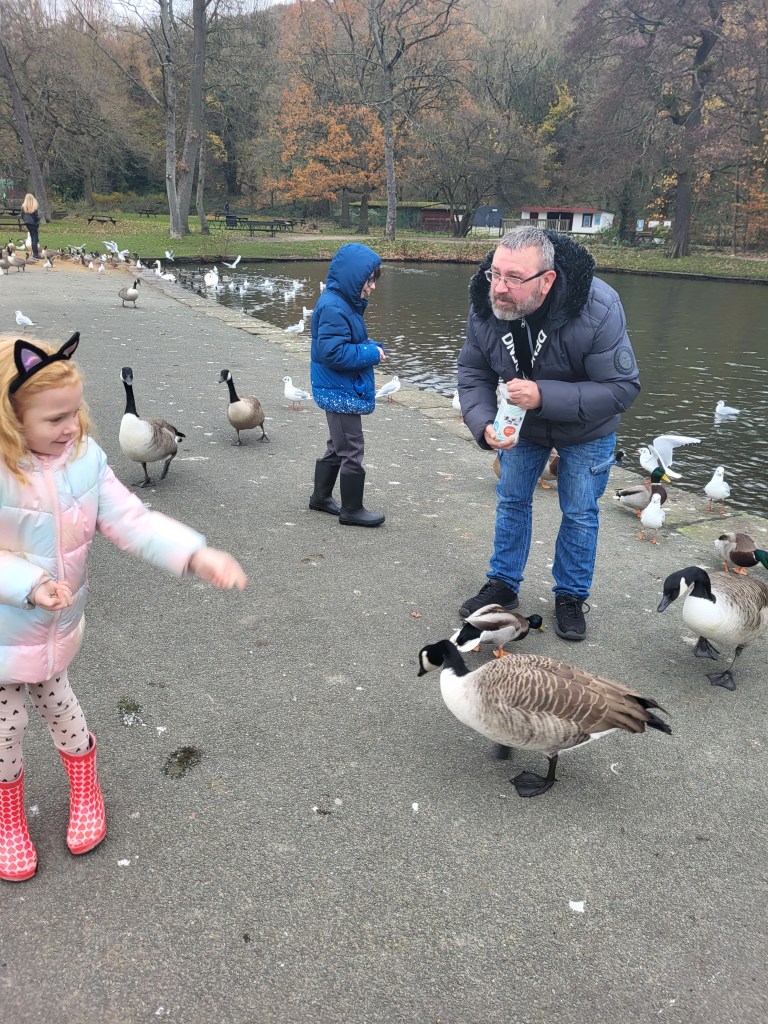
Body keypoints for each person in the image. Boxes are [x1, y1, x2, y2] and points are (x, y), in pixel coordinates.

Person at [0, 332, 247, 882]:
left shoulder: (85, 460)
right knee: (5, 728)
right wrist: (29, 583)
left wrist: (193, 553)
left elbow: (132, 521)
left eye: (75, 412)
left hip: (51, 629)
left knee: (62, 708)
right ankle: (8, 817)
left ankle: (86, 789)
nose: (71, 427)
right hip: (5, 625)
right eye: (54, 418)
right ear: (11, 417)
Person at [457, 226, 640, 641]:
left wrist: (543, 395)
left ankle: (571, 596)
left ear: (548, 279)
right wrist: (484, 424)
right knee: (512, 500)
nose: (499, 289)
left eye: (514, 278)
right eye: (495, 274)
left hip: (587, 427)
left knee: (579, 512)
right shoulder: (486, 305)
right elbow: (473, 371)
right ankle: (503, 582)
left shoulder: (599, 306)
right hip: (522, 424)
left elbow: (622, 387)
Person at [308, 242, 387, 527]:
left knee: (337, 444)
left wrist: (369, 346)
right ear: (355, 277)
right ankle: (352, 510)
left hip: (338, 387)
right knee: (351, 446)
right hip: (337, 389)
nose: (372, 287)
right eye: (369, 280)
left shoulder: (343, 304)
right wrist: (369, 353)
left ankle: (320, 497)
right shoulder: (334, 307)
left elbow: (343, 343)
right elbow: (331, 352)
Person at [20, 193, 41, 261]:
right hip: (33, 224)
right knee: (35, 238)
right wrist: (38, 220)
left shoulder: (24, 207)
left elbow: (22, 215)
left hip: (27, 223)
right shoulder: (34, 207)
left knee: (32, 237)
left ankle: (34, 253)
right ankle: (36, 254)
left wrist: (25, 220)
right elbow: (36, 217)